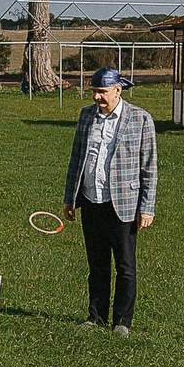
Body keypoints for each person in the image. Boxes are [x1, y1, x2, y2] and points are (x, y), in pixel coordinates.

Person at [62, 67, 158, 334]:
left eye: (102, 92)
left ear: (118, 90)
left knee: (125, 267)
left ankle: (122, 322)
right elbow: (76, 159)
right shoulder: (86, 117)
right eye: (93, 92)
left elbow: (149, 167)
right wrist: (70, 198)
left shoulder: (140, 119)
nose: (97, 98)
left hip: (124, 204)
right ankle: (96, 317)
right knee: (97, 264)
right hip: (91, 200)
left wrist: (146, 207)